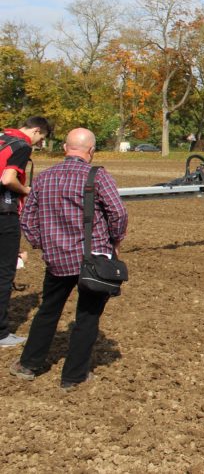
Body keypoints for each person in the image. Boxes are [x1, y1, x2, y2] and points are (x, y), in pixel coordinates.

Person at [10, 128, 127, 390]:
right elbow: (118, 213)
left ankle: (29, 364)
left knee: (48, 311)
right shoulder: (98, 176)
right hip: (93, 259)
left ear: (65, 148)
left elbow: (27, 218)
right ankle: (74, 377)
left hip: (57, 259)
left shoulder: (44, 178)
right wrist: (115, 243)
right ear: (91, 151)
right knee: (87, 317)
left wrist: (43, 244)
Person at [0, 116, 52, 348]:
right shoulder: (21, 145)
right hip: (4, 214)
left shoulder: (2, 137)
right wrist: (26, 190)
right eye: (41, 138)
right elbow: (7, 179)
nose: (39, 143)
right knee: (4, 272)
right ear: (36, 130)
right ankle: (1, 334)